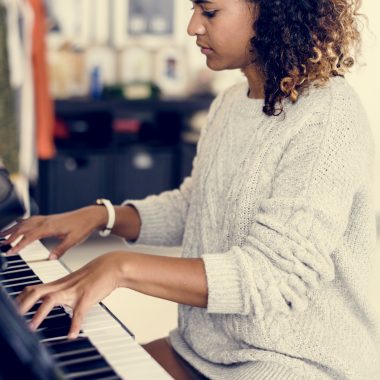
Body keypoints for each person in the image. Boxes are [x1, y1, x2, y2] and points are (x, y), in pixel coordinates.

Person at [1, 0, 380, 378]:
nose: (193, 27)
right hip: (203, 350)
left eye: (210, 12)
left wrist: (121, 267)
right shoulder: (231, 103)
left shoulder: (328, 117)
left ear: (273, 12)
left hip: (294, 363)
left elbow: (273, 277)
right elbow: (195, 206)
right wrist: (103, 215)